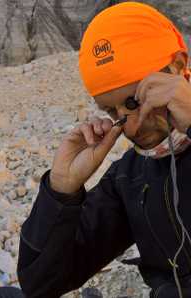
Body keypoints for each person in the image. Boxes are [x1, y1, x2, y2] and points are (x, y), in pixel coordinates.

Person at [18, 2, 191, 297]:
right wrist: (61, 191)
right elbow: (40, 284)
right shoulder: (130, 177)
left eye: (136, 101)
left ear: (176, 67)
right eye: (113, 111)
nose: (132, 127)